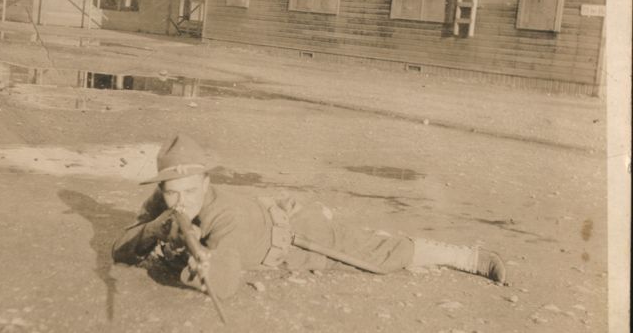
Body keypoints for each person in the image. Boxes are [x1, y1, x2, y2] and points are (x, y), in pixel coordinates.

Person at [113, 134, 507, 300]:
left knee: (382, 256)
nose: (181, 201)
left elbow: (226, 282)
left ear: (206, 181)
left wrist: (201, 264)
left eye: (190, 191)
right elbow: (120, 248)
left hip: (297, 238)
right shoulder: (164, 200)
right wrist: (154, 229)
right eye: (172, 192)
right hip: (266, 214)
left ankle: (467, 257)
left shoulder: (225, 217)